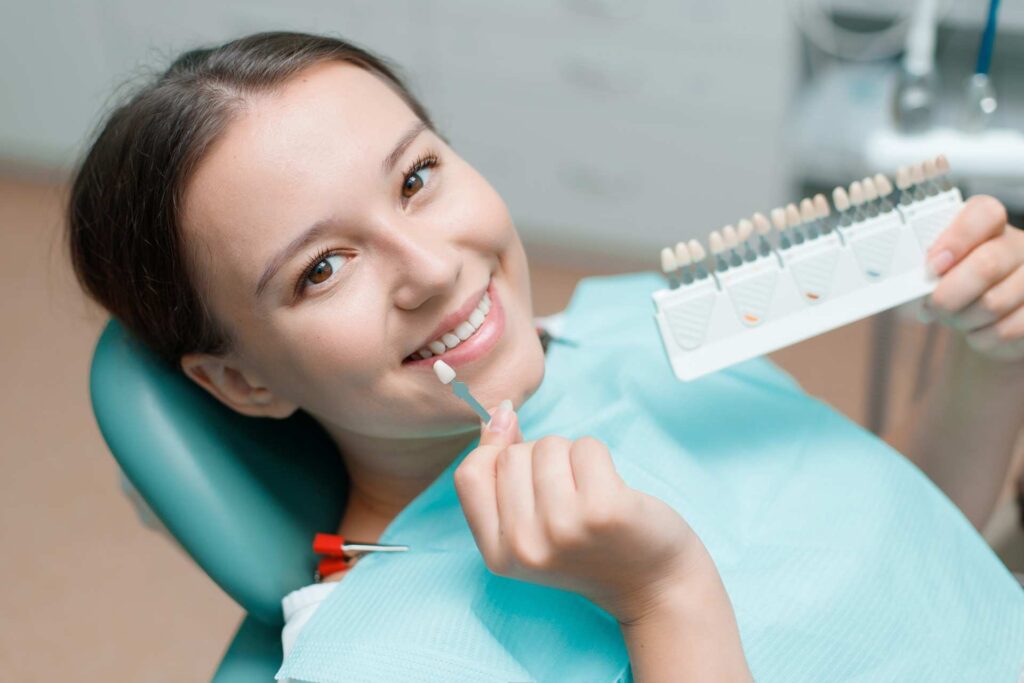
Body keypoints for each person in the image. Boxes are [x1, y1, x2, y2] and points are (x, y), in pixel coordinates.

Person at [64, 31, 1024, 682]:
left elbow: (906, 535)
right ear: (244, 379)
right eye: (322, 268)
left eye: (417, 177)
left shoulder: (630, 319)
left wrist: (991, 361)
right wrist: (660, 597)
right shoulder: (384, 657)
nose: (434, 268)